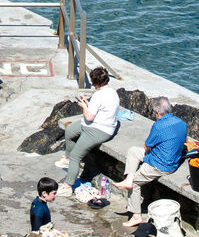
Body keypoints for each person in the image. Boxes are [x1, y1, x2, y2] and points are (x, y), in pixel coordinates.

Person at [112, 96, 187, 227]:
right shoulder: (181, 123)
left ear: (158, 113)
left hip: (161, 165)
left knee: (135, 183)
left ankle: (136, 216)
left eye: (154, 112)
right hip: (170, 158)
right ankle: (128, 178)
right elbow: (184, 140)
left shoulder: (158, 126)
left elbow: (147, 146)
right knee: (133, 151)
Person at [55, 67, 120, 195]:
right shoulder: (113, 92)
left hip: (98, 130)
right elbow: (99, 111)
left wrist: (84, 106)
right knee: (69, 131)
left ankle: (68, 186)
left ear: (94, 82)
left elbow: (89, 116)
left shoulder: (98, 95)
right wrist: (88, 105)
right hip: (95, 124)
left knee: (76, 156)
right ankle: (67, 159)